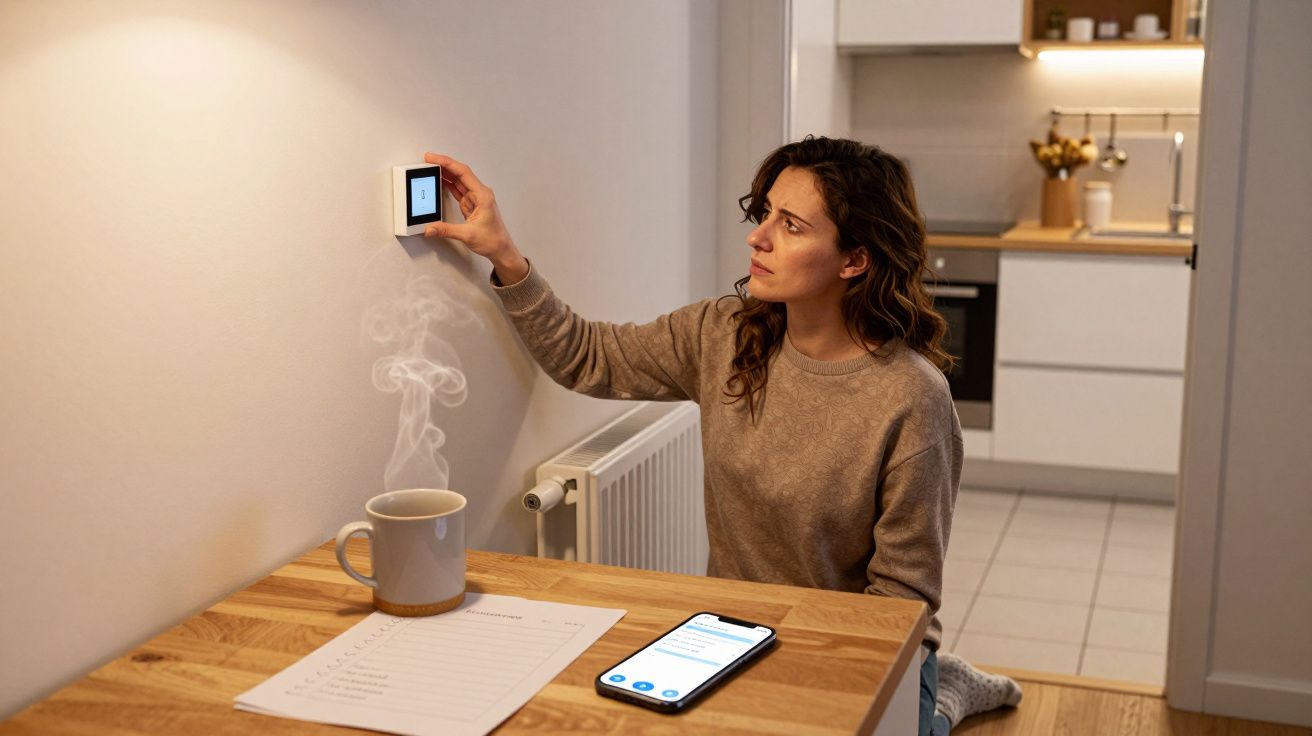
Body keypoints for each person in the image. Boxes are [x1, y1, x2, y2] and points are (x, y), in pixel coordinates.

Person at [422, 137, 1019, 734]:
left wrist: (812, 685)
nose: (757, 238)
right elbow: (587, 357)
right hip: (735, 632)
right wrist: (504, 254)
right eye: (764, 215)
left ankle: (939, 696)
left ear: (854, 260)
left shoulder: (912, 399)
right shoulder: (723, 336)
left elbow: (900, 598)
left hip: (865, 646)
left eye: (790, 225)